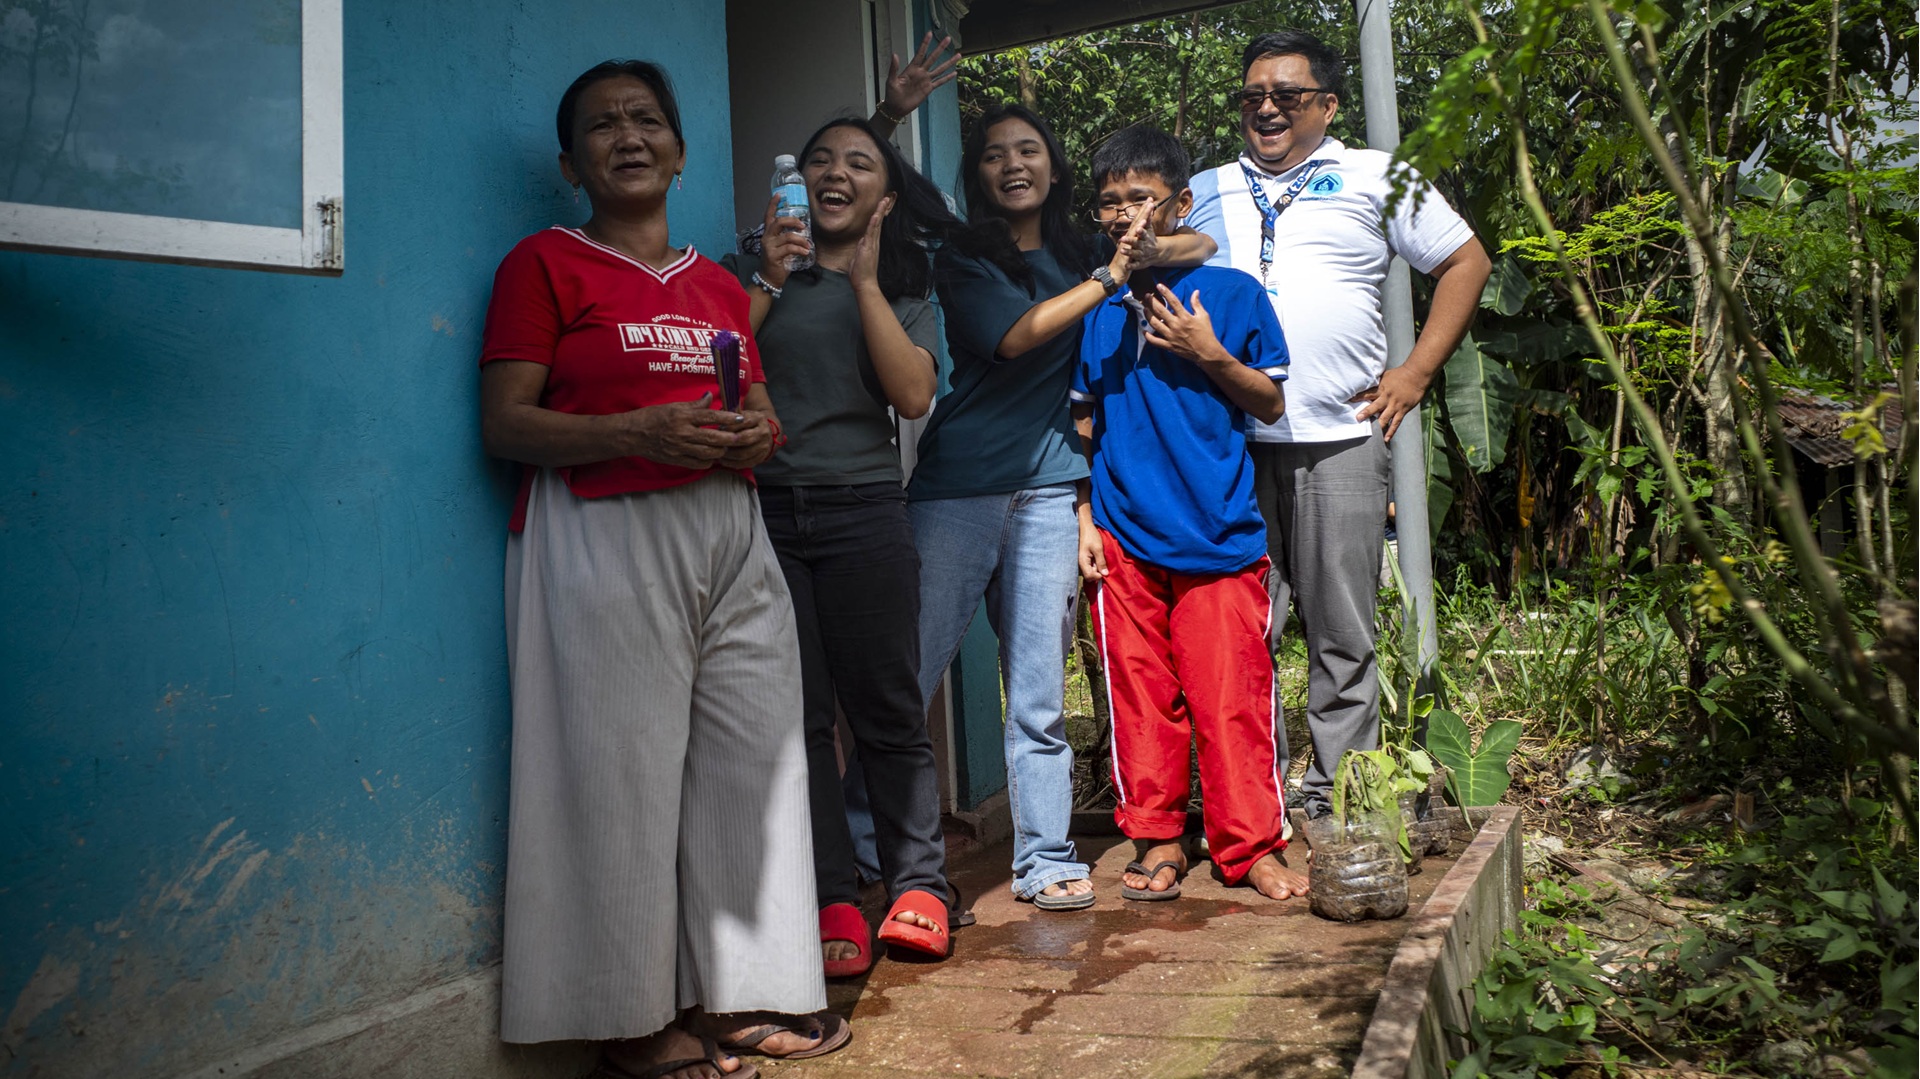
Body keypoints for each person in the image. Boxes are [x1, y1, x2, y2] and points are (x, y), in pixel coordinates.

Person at [479, 60, 848, 1079]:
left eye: (648, 120)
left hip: (731, 527)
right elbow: (504, 422)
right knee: (617, 770)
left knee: (754, 760)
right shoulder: (543, 265)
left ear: (682, 152)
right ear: (570, 163)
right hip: (607, 521)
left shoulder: (722, 285)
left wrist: (751, 435)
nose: (628, 136)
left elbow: (761, 414)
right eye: (602, 126)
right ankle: (632, 1015)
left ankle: (747, 991)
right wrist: (638, 426)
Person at [909, 104, 1216, 911]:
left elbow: (1204, 245)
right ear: (977, 174)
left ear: (1053, 168)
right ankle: (878, 845)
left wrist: (1142, 245)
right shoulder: (965, 256)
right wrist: (1110, 278)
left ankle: (1044, 857)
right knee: (909, 676)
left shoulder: (1086, 246)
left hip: (1050, 488)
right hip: (956, 487)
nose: (1014, 164)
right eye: (995, 155)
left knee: (1040, 694)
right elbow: (1014, 337)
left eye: (1030, 150)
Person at [1184, 30, 1492, 821]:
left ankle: (1336, 800)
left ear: (1326, 104)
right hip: (1226, 444)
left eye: (1286, 96)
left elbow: (1465, 261)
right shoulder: (1206, 187)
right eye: (1252, 96)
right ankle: (1242, 802)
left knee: (1341, 633)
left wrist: (1417, 371)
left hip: (1341, 437)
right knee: (1237, 632)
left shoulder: (1375, 175)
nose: (1267, 110)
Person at [721, 117, 964, 973]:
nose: (834, 173)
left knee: (889, 711)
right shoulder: (750, 275)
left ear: (884, 198)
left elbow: (910, 398)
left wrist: (861, 281)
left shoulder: (905, 288)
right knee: (798, 719)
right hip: (765, 517)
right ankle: (832, 895)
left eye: (858, 163)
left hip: (864, 514)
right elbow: (712, 361)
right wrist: (767, 278)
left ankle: (919, 886)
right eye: (819, 159)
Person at [1070, 126, 1307, 902]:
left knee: (1230, 696)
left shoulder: (1234, 293)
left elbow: (1270, 401)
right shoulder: (1098, 303)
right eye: (1109, 202)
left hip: (1218, 532)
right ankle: (1159, 837)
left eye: (1139, 197)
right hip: (1124, 535)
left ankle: (1252, 848)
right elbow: (1082, 423)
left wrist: (1208, 351)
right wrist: (1084, 519)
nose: (1124, 215)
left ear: (1178, 202)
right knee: (1141, 697)